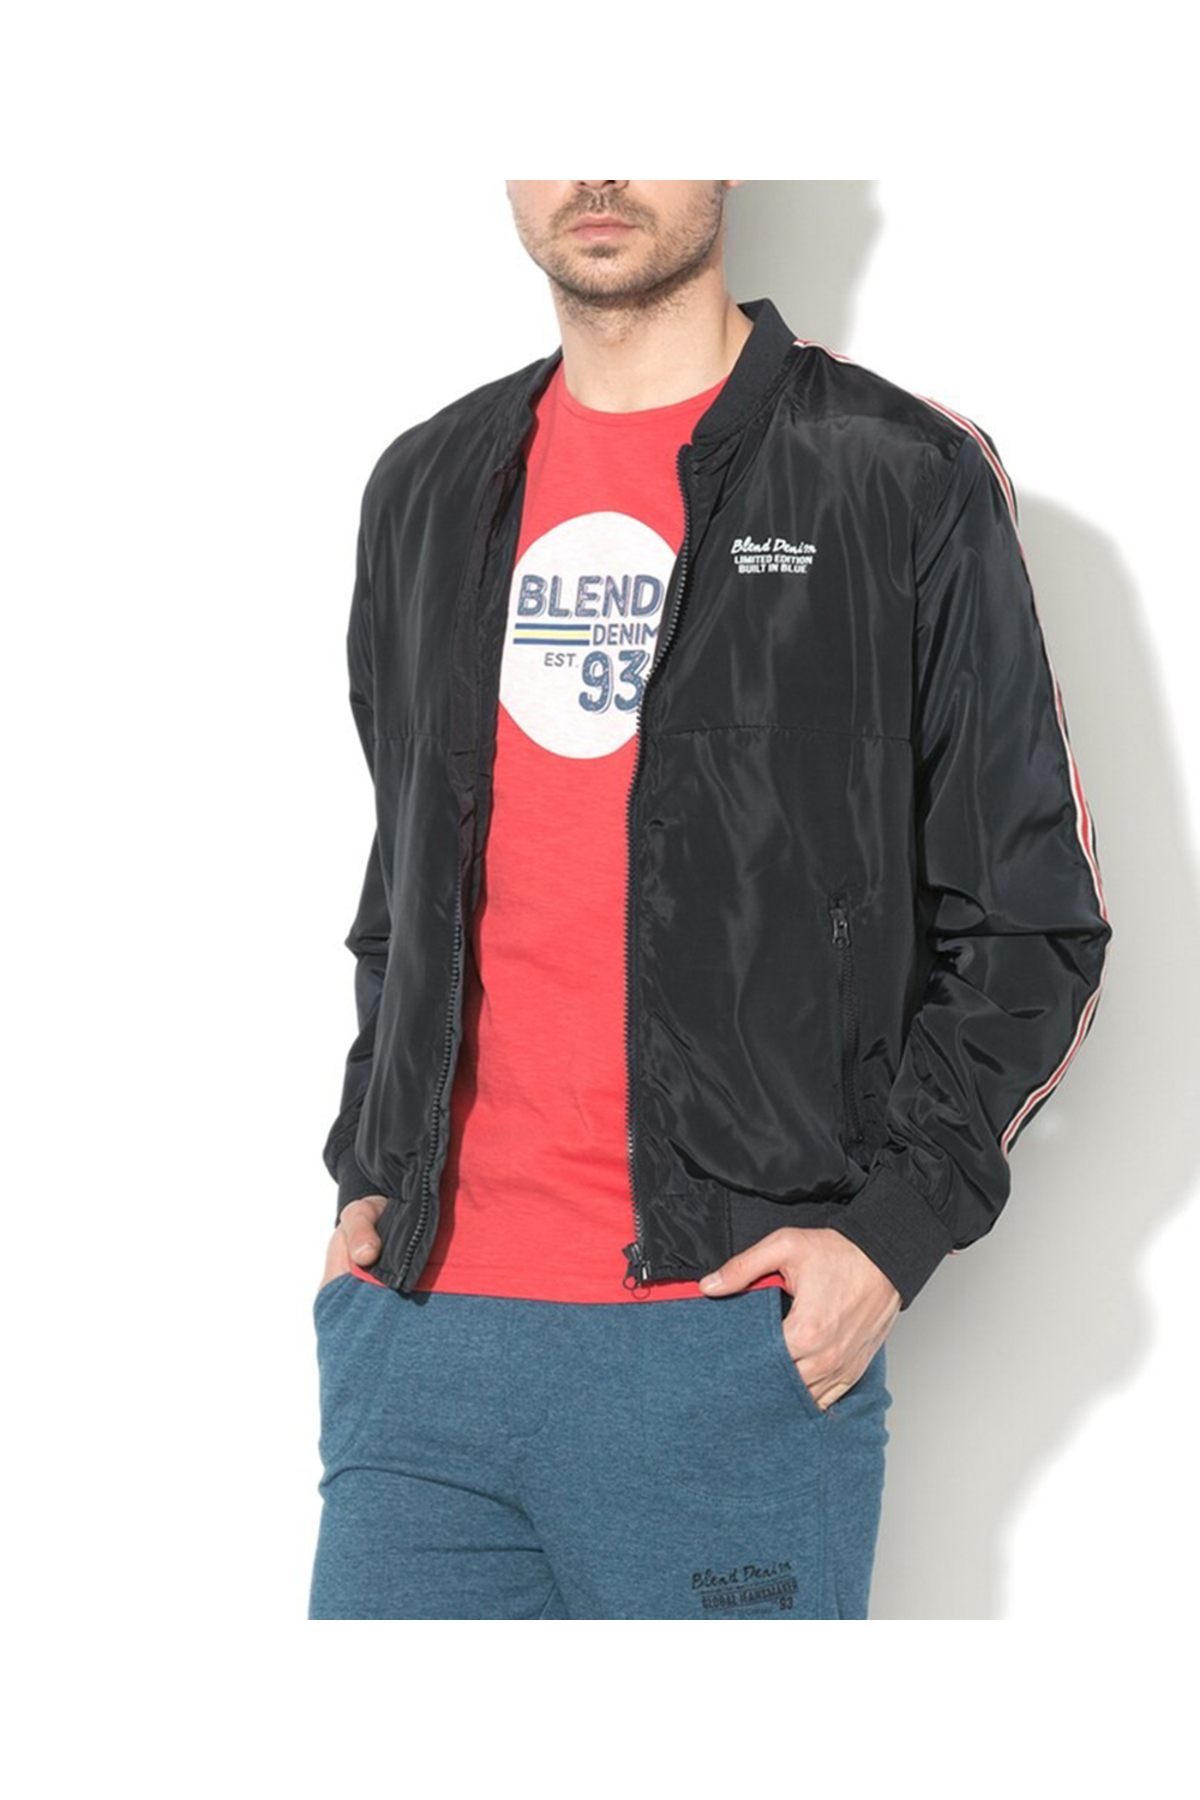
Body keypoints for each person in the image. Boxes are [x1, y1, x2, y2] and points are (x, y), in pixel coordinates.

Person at [307, 181, 1113, 1620]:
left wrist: (893, 1232)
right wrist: (366, 1175)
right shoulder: (425, 486)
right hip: (421, 1351)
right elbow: (402, 888)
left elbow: (1033, 922)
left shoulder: (893, 474)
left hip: (723, 1347)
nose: (598, 166)